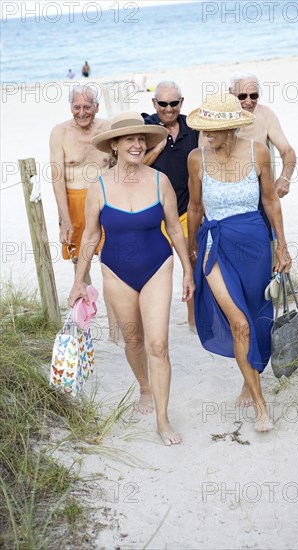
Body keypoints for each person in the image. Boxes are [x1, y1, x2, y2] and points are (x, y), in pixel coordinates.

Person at [67, 112, 195, 446]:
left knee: (158, 344)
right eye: (130, 140)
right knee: (134, 341)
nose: (137, 145)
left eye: (142, 140)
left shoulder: (159, 181)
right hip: (116, 271)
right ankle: (144, 387)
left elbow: (175, 232)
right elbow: (91, 238)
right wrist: (79, 281)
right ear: (115, 145)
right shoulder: (99, 188)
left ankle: (163, 420)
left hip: (157, 266)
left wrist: (188, 271)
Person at [186, 93, 292, 432]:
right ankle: (262, 406)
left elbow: (270, 200)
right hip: (214, 245)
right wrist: (190, 252)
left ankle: (249, 381)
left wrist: (282, 247)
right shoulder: (196, 158)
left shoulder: (257, 151)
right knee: (239, 324)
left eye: (211, 129)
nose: (205, 134)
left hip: (255, 244)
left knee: (259, 318)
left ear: (231, 127)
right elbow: (194, 209)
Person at [142, 81, 199, 331]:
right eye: (163, 103)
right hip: (154, 216)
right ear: (154, 104)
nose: (168, 108)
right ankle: (154, 323)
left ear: (181, 103)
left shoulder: (192, 127)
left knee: (193, 264)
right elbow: (134, 167)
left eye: (173, 103)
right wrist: (158, 146)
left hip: (186, 211)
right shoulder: (145, 128)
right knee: (155, 273)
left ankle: (193, 319)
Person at [50, 84, 110, 284]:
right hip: (74, 202)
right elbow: (57, 178)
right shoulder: (60, 132)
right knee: (79, 261)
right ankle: (85, 310)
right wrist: (64, 218)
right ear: (71, 107)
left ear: (97, 107)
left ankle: (117, 311)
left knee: (110, 259)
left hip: (105, 200)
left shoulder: (107, 129)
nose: (82, 113)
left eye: (87, 107)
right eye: (77, 107)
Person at [229, 72, 296, 243]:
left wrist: (285, 178)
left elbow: (287, 150)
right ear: (231, 93)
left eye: (254, 96)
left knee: (268, 246)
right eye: (242, 96)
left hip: (262, 194)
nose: (248, 101)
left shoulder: (265, 115)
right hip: (229, 195)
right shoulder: (220, 118)